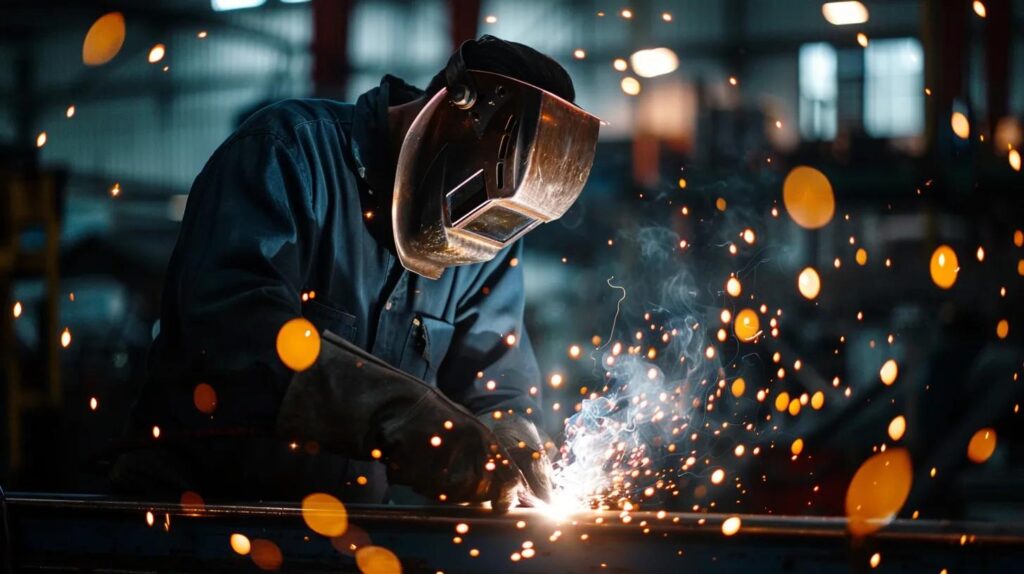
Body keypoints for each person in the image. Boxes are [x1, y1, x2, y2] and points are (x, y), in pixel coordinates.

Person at [110, 36, 600, 511]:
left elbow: (496, 382)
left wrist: (511, 432)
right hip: (195, 517)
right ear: (455, 108)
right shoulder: (287, 153)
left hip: (348, 537)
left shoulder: (487, 241)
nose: (479, 230)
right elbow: (234, 333)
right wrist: (397, 413)